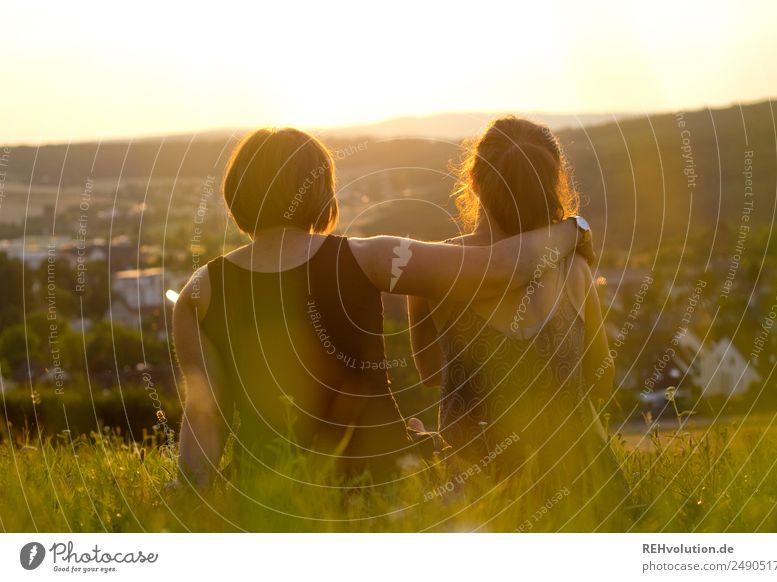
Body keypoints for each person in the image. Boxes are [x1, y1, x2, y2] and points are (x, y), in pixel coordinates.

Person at [171, 127, 589, 488]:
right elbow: (500, 268)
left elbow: (204, 416)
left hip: (272, 485)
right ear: (320, 192)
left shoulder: (199, 293)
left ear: (236, 194)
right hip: (382, 477)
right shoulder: (367, 258)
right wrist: (575, 229)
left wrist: (192, 494)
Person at [408, 117, 628, 529]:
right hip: (583, 491)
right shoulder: (576, 270)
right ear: (551, 186)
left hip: (478, 498)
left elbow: (430, 375)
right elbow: (601, 380)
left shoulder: (435, 274)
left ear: (473, 181)